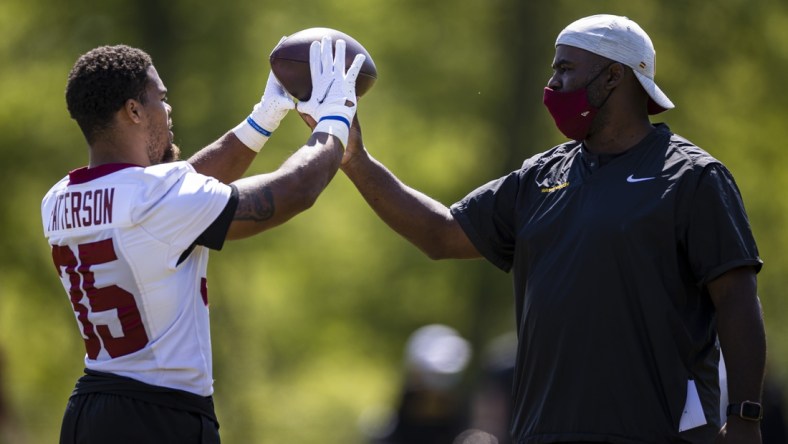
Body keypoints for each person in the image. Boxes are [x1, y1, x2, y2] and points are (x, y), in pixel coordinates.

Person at [339, 14, 766, 443]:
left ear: (614, 76)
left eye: (566, 68)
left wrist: (745, 418)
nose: (553, 83)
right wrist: (356, 159)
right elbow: (439, 234)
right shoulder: (538, 177)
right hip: (542, 434)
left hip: (657, 431)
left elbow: (737, 299)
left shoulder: (692, 177)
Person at [42, 38, 364, 443]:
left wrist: (263, 118)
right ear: (134, 110)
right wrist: (335, 119)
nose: (168, 107)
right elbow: (294, 191)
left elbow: (176, 195)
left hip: (89, 411)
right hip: (158, 417)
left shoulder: (58, 198)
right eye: (160, 97)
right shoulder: (157, 200)